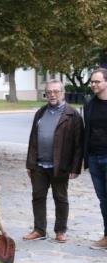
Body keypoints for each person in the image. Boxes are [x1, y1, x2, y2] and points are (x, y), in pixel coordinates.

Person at [24, 79, 84, 243]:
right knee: (38, 197)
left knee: (61, 198)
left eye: (55, 91)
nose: (52, 95)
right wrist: (30, 164)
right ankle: (39, 229)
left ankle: (60, 230)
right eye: (49, 92)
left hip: (61, 166)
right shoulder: (40, 113)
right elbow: (33, 140)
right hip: (39, 165)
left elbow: (79, 145)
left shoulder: (72, 115)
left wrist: (75, 167)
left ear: (63, 93)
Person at [84, 68, 107, 249]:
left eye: (97, 81)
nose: (93, 84)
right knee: (103, 199)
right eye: (92, 81)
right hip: (94, 158)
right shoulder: (89, 104)